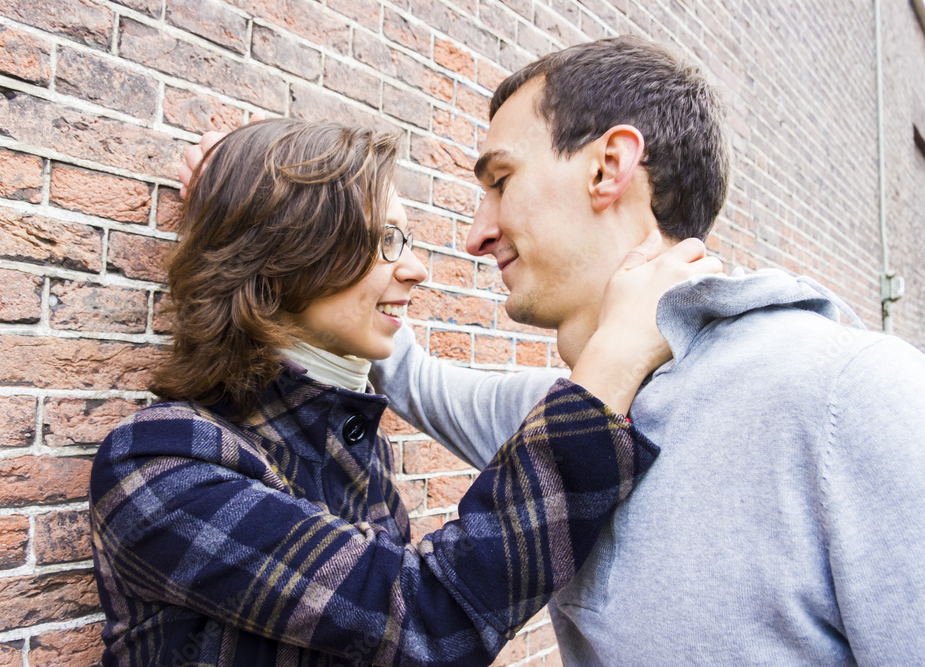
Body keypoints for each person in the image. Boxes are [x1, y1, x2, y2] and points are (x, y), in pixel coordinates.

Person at [184, 35, 925, 664]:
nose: (475, 233)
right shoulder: (552, 415)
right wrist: (273, 228)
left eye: (500, 180)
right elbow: (407, 372)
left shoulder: (854, 395)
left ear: (609, 168)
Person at [91, 118, 720, 666]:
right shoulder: (162, 463)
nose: (417, 269)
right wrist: (612, 359)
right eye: (385, 240)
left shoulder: (353, 447)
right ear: (287, 248)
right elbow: (423, 620)